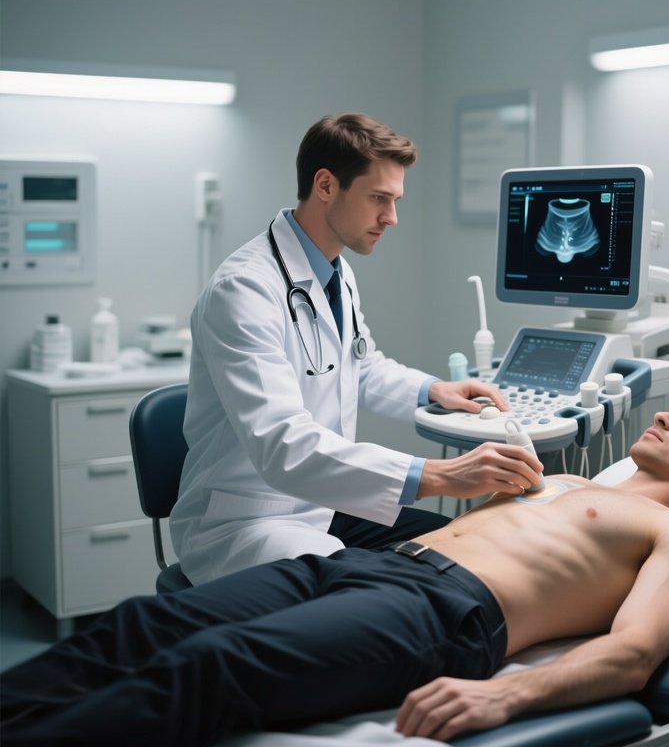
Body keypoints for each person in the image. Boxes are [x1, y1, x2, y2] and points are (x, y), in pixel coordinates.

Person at [0, 385, 669, 746]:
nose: (666, 414)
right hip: (361, 567)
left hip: (443, 613)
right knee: (142, 623)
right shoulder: (563, 480)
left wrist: (506, 698)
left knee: (214, 663)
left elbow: (636, 655)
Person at [169, 112, 541, 585]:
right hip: (248, 521)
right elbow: (284, 445)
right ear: (325, 186)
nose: (392, 217)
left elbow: (359, 367)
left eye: (395, 200)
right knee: (383, 587)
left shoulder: (335, 273)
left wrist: (434, 389)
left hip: (322, 503)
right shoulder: (244, 289)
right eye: (379, 199)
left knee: (460, 548)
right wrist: (440, 475)